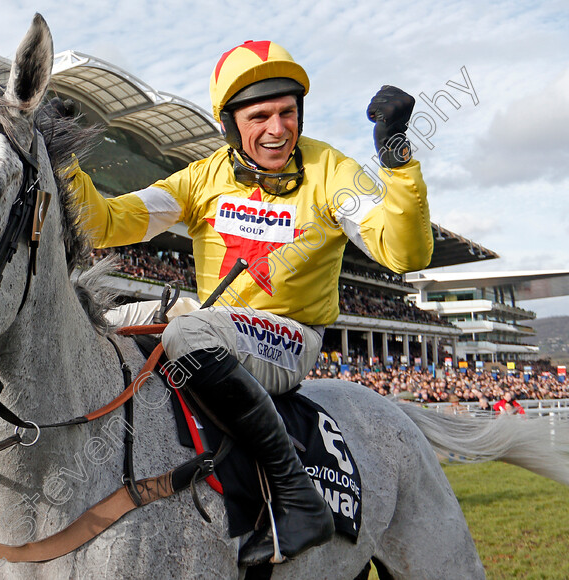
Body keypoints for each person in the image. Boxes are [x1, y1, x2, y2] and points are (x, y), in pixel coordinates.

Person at [69, 39, 432, 565]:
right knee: (102, 323)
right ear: (231, 124)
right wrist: (68, 160)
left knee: (187, 333)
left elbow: (403, 252)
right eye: (260, 115)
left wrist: (396, 159)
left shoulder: (332, 172)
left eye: (288, 113)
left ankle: (297, 499)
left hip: (288, 338)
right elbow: (105, 222)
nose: (278, 129)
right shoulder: (203, 177)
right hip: (211, 323)